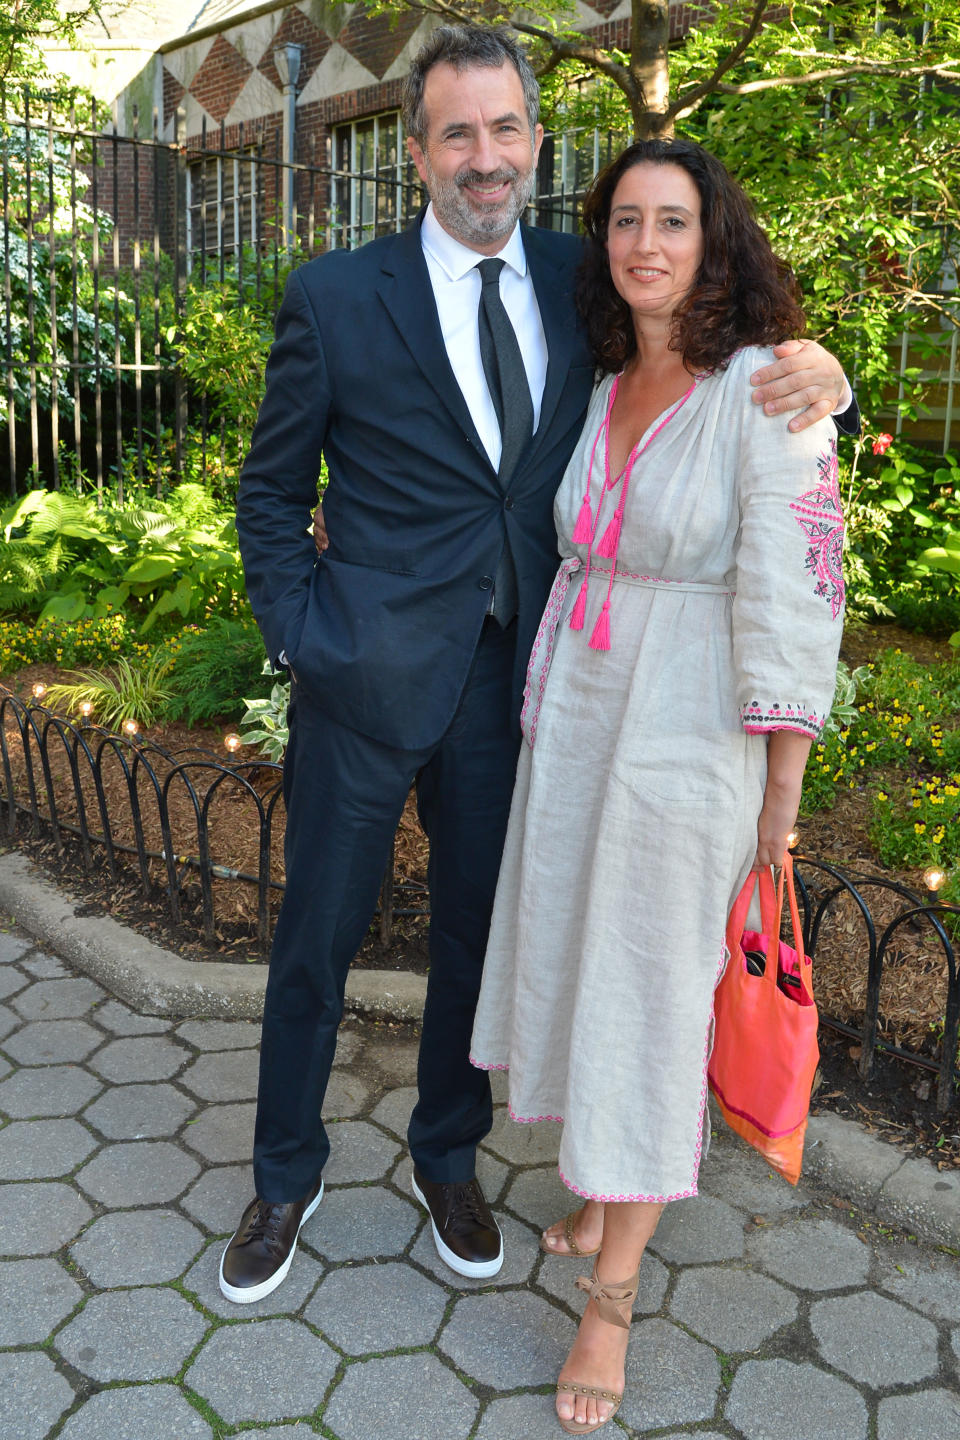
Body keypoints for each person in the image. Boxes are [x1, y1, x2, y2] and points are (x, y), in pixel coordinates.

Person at [225, 24, 855, 1306]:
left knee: (472, 934)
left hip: (520, 687)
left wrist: (822, 373)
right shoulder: (338, 298)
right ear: (413, 155)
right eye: (456, 133)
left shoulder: (593, 279)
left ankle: (444, 1155)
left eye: (506, 129)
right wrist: (301, 634)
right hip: (362, 678)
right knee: (316, 940)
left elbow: (724, 356)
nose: (485, 157)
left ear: (535, 141)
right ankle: (283, 1177)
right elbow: (270, 491)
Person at [469, 137, 846, 1433]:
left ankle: (613, 1303)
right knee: (587, 961)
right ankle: (596, 1183)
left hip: (688, 735)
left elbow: (802, 599)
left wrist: (779, 802)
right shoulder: (611, 376)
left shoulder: (770, 395)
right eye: (624, 220)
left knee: (648, 992)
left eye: (672, 222)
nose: (644, 243)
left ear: (715, 239)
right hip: (581, 722)